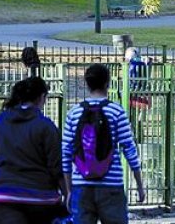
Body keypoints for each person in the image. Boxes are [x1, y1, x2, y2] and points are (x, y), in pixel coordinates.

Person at [62, 63, 145, 224]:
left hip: (82, 185)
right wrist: (139, 184)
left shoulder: (74, 113)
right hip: (111, 185)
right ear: (108, 83)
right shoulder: (116, 111)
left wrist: (69, 190)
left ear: (87, 84)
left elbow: (66, 152)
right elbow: (129, 148)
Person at [0, 77, 69, 223]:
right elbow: (57, 167)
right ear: (42, 97)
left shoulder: (0, 123)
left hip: (3, 196)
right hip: (40, 198)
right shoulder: (46, 127)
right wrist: (68, 194)